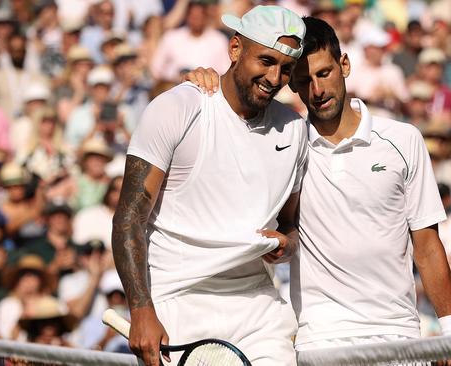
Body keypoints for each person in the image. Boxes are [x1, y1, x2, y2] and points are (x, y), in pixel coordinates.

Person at [187, 16, 451, 354]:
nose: (316, 91)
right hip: (319, 341)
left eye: (324, 73)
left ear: (344, 64)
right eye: (303, 80)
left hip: (397, 334)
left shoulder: (404, 141)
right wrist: (205, 86)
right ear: (291, 85)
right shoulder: (285, 143)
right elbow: (230, 120)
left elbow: (427, 245)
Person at [112, 6, 307, 366]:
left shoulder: (295, 129)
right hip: (177, 303)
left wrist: (287, 244)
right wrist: (141, 311)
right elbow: (128, 218)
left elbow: (293, 224)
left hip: (260, 308)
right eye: (265, 60)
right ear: (235, 50)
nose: (274, 77)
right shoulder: (176, 108)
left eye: (285, 68)